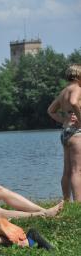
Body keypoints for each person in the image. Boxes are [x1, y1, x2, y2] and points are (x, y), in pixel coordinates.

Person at [47, 64, 81, 202]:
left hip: (65, 133)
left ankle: (67, 201)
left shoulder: (64, 91)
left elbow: (50, 110)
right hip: (76, 133)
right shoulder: (77, 88)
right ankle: (78, 204)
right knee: (77, 171)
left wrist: (63, 120)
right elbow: (74, 102)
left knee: (67, 171)